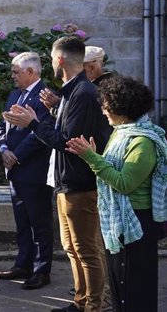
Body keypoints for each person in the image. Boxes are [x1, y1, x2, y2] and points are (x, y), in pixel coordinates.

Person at [3, 36, 112, 312]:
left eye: (51, 58)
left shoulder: (84, 93)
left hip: (80, 183)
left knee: (86, 250)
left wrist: (33, 122)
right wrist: (54, 107)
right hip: (66, 183)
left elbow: (66, 140)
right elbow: (66, 128)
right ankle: (80, 301)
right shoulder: (70, 92)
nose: (50, 63)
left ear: (60, 60)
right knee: (73, 249)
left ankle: (94, 306)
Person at [66, 76, 167, 312]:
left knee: (135, 291)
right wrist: (95, 156)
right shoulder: (122, 132)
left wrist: (91, 158)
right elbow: (113, 169)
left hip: (137, 223)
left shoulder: (143, 142)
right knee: (121, 289)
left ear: (122, 107)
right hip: (120, 222)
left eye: (107, 106)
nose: (103, 111)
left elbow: (124, 183)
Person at [0, 52, 54, 290]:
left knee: (39, 222)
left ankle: (42, 271)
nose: (13, 76)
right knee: (22, 221)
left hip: (34, 170)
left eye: (16, 72)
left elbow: (42, 133)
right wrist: (4, 148)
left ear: (31, 72)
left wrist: (16, 155)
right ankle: (23, 264)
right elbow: (2, 126)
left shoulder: (45, 97)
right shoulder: (15, 94)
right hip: (14, 170)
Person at [39, 45, 112, 112]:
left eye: (79, 67)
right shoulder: (83, 87)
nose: (74, 70)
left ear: (92, 68)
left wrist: (58, 106)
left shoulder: (95, 91)